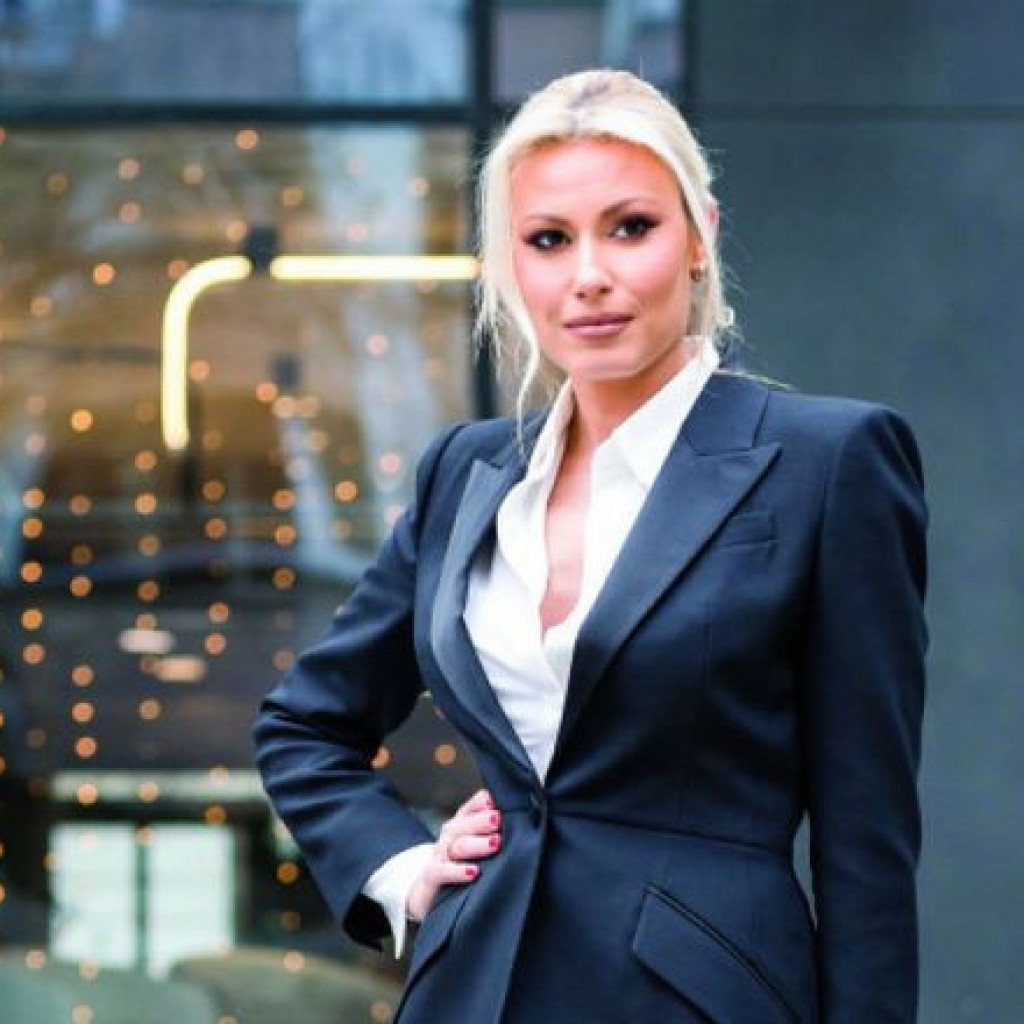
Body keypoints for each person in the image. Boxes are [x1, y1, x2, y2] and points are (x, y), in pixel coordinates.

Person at [253, 69, 927, 1023]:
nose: (589, 276)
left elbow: (868, 842)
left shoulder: (829, 462)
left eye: (631, 228)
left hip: (697, 999)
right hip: (475, 991)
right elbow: (305, 726)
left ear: (700, 238)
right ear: (511, 266)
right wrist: (402, 867)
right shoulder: (466, 472)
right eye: (549, 240)